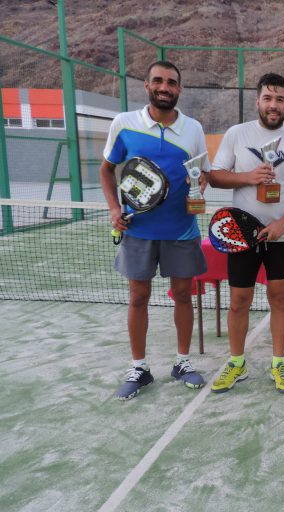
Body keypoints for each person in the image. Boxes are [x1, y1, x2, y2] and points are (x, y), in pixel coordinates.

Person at [100, 60, 210, 401]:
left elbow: (202, 174)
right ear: (147, 85)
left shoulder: (193, 129)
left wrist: (199, 189)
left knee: (182, 295)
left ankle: (182, 362)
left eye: (172, 82)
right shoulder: (124, 124)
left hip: (181, 229)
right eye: (158, 81)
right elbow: (107, 170)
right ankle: (139, 368)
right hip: (138, 229)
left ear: (179, 89)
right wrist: (115, 209)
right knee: (138, 297)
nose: (165, 87)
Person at [208, 72, 284, 394]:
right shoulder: (237, 134)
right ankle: (237, 362)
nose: (274, 105)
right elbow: (215, 176)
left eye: (280, 99)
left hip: (281, 237)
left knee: (279, 298)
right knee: (239, 300)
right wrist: (248, 176)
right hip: (242, 236)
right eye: (268, 98)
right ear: (257, 101)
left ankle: (278, 362)